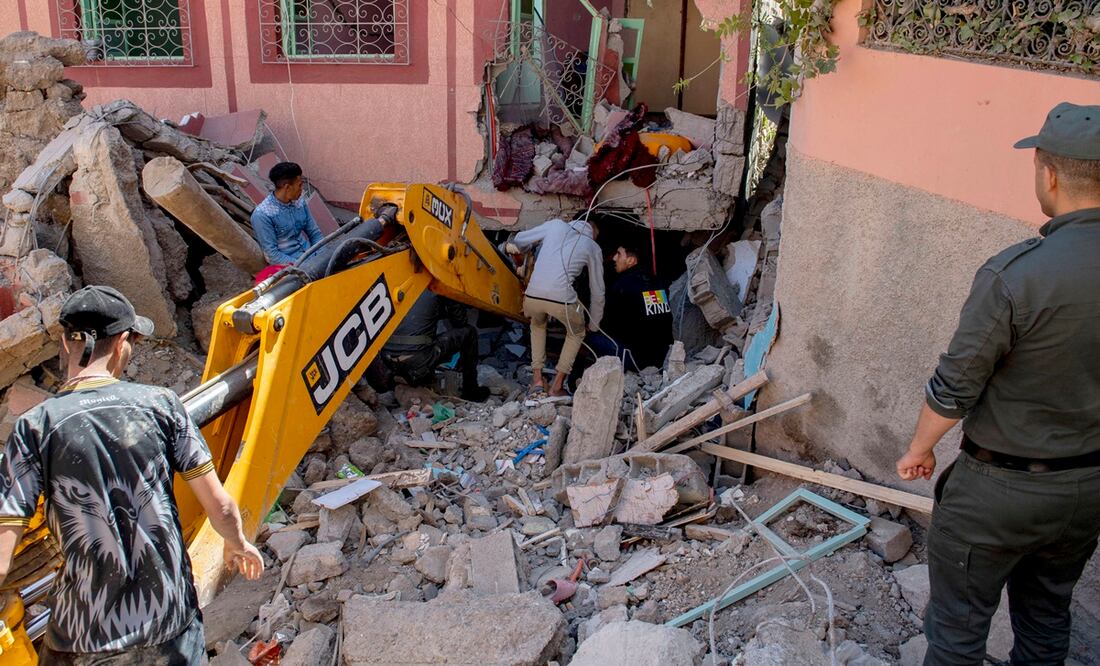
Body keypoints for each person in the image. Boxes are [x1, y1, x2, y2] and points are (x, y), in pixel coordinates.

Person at [895, 102, 1100, 665]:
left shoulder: (1016, 274)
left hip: (999, 492)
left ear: (1050, 174)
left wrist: (919, 450)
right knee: (1046, 621)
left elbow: (954, 387)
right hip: (1086, 489)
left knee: (958, 636)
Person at [0, 286, 264, 664]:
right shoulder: (161, 405)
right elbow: (220, 507)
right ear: (123, 341)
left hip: (86, 639)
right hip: (170, 626)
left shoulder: (35, 427)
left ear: (64, 341)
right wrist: (237, 543)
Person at [508, 217, 604, 396]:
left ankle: (537, 380)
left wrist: (524, 251)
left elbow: (520, 239)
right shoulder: (592, 246)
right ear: (592, 231)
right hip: (562, 300)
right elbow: (598, 291)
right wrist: (594, 324)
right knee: (576, 333)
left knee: (537, 326)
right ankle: (557, 386)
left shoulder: (555, 225)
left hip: (532, 295)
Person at [371, 291, 490, 401]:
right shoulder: (438, 285)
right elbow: (460, 322)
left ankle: (409, 379)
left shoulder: (397, 283)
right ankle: (471, 391)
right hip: (417, 361)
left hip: (388, 360)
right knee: (469, 332)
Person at [587, 243, 672, 371]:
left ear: (631, 260)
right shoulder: (658, 282)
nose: (614, 258)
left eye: (619, 254)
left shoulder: (622, 286)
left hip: (634, 360)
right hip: (661, 358)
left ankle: (576, 381)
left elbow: (607, 325)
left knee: (585, 335)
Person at [252, 161, 324, 266]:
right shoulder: (262, 215)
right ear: (287, 187)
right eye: (299, 185)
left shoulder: (300, 202)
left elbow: (315, 233)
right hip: (291, 268)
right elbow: (272, 255)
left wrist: (322, 256)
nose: (301, 189)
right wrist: (305, 266)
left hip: (312, 257)